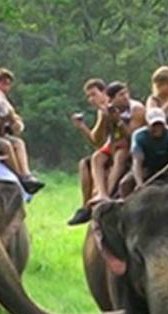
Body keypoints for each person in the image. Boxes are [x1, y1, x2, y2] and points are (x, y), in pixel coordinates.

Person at [0, 69, 44, 194]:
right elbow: (6, 114)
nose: (5, 87)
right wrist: (13, 119)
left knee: (18, 142)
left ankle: (25, 173)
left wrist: (16, 122)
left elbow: (13, 119)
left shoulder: (2, 98)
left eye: (7, 84)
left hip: (0, 131)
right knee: (12, 144)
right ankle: (21, 175)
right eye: (3, 83)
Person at [68, 78, 111, 224]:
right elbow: (96, 141)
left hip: (121, 148)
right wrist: (82, 126)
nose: (91, 99)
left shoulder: (109, 107)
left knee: (90, 161)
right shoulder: (101, 111)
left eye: (94, 94)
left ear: (104, 92)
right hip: (109, 148)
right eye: (88, 96)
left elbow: (98, 141)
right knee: (85, 163)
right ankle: (86, 204)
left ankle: (90, 202)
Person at [130, 109, 168, 189]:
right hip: (146, 168)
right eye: (154, 125)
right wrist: (139, 183)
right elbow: (137, 161)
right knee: (124, 184)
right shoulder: (138, 136)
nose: (158, 128)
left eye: (160, 124)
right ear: (147, 124)